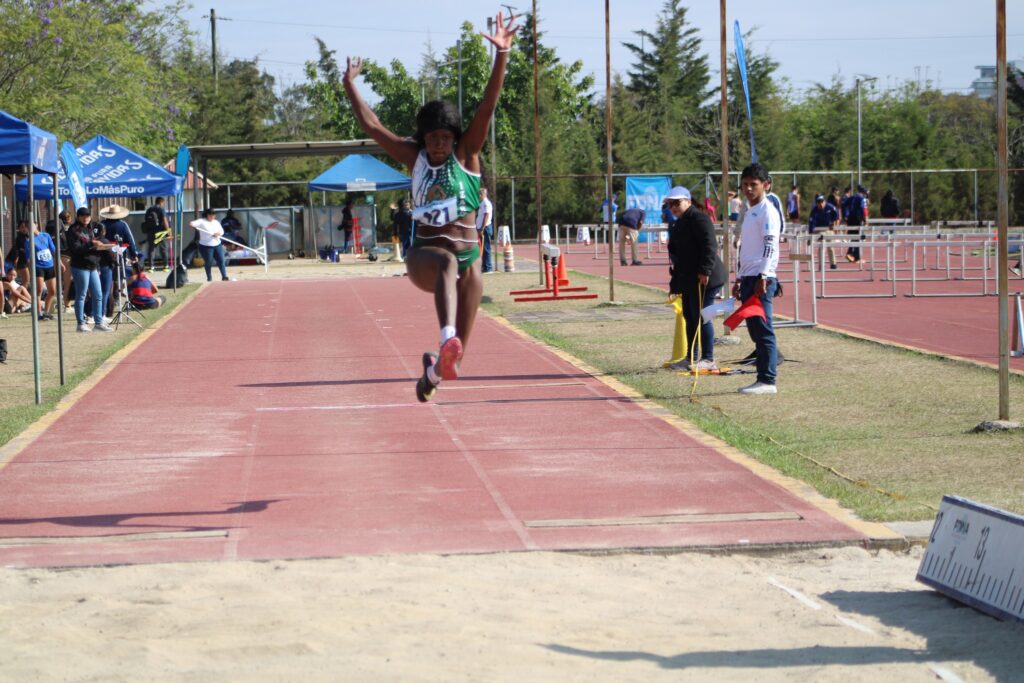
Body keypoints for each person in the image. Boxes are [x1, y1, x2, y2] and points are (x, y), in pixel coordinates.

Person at [342, 10, 517, 403]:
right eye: (433, 138)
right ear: (423, 138)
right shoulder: (414, 157)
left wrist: (502, 55)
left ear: (455, 138)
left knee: (459, 351)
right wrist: (350, 85)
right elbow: (372, 126)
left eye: (445, 138)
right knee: (447, 263)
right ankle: (445, 335)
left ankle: (433, 373)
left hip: (469, 257)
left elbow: (488, 107)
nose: (439, 145)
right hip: (425, 257)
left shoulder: (467, 154)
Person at [732, 162, 781, 395]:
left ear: (766, 185)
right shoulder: (750, 211)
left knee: (763, 330)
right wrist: (739, 277)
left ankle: (768, 380)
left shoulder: (767, 211)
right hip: (749, 277)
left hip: (762, 278)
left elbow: (770, 245)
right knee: (755, 331)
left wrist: (763, 275)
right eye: (745, 185)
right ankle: (762, 377)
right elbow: (746, 249)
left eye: (754, 184)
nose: (749, 189)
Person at [666, 186, 726, 372]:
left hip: (706, 278)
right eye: (670, 204)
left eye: (677, 203)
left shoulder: (700, 218)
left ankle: (708, 358)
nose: (673, 207)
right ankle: (690, 357)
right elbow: (679, 258)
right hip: (689, 280)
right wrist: (674, 285)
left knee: (703, 316)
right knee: (690, 317)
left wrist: (705, 270)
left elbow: (710, 245)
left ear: (688, 201)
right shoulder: (678, 224)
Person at [66, 207, 112, 333]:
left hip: (92, 266)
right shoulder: (73, 230)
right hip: (80, 266)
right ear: (78, 217)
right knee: (81, 295)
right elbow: (76, 249)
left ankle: (98, 323)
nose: (86, 218)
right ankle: (80, 324)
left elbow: (93, 247)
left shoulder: (90, 228)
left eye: (88, 216)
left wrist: (99, 250)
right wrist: (92, 244)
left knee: (98, 294)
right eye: (83, 216)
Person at [28, 221, 58, 320]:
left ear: (36, 225)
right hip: (38, 267)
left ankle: (46, 312)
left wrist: (60, 263)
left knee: (52, 291)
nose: (30, 227)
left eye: (31, 224)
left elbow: (53, 250)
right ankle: (39, 313)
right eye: (28, 226)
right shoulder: (28, 240)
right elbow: (28, 258)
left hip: (49, 265)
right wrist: (31, 271)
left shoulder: (46, 236)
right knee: (39, 290)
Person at [190, 208, 229, 282]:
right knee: (208, 262)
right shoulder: (202, 221)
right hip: (206, 246)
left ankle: (224, 276)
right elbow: (192, 223)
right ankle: (209, 278)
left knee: (221, 260)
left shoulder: (216, 222)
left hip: (217, 244)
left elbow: (222, 231)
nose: (212, 217)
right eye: (211, 215)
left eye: (214, 215)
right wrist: (192, 224)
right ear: (207, 215)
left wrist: (218, 233)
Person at [808, 194, 840, 270]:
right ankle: (821, 265)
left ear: (824, 201)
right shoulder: (814, 211)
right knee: (821, 247)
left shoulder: (830, 207)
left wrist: (834, 224)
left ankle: (833, 264)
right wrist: (810, 237)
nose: (821, 204)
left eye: (822, 202)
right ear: (816, 203)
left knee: (831, 247)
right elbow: (811, 224)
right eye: (819, 202)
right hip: (819, 231)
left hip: (829, 230)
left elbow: (836, 216)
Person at [142, 197, 170, 271]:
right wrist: (168, 231)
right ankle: (166, 266)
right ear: (161, 202)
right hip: (161, 232)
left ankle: (151, 267)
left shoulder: (149, 210)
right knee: (163, 249)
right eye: (163, 203)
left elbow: (146, 221)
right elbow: (165, 221)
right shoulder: (161, 209)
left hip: (151, 232)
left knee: (151, 249)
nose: (163, 205)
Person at [842, 186, 867, 263]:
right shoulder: (861, 198)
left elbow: (843, 205)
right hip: (857, 218)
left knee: (854, 237)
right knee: (857, 237)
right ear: (863, 193)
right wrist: (864, 219)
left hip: (850, 218)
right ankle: (855, 256)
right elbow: (862, 209)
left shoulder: (852, 197)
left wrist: (845, 215)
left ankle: (851, 253)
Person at [476, 187, 494, 273]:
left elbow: (486, 216)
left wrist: (482, 228)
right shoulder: (482, 203)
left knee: (486, 248)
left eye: (480, 194)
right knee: (482, 248)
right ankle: (485, 267)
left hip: (485, 228)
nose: (479, 196)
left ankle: (488, 267)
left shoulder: (486, 203)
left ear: (484, 194)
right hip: (482, 228)